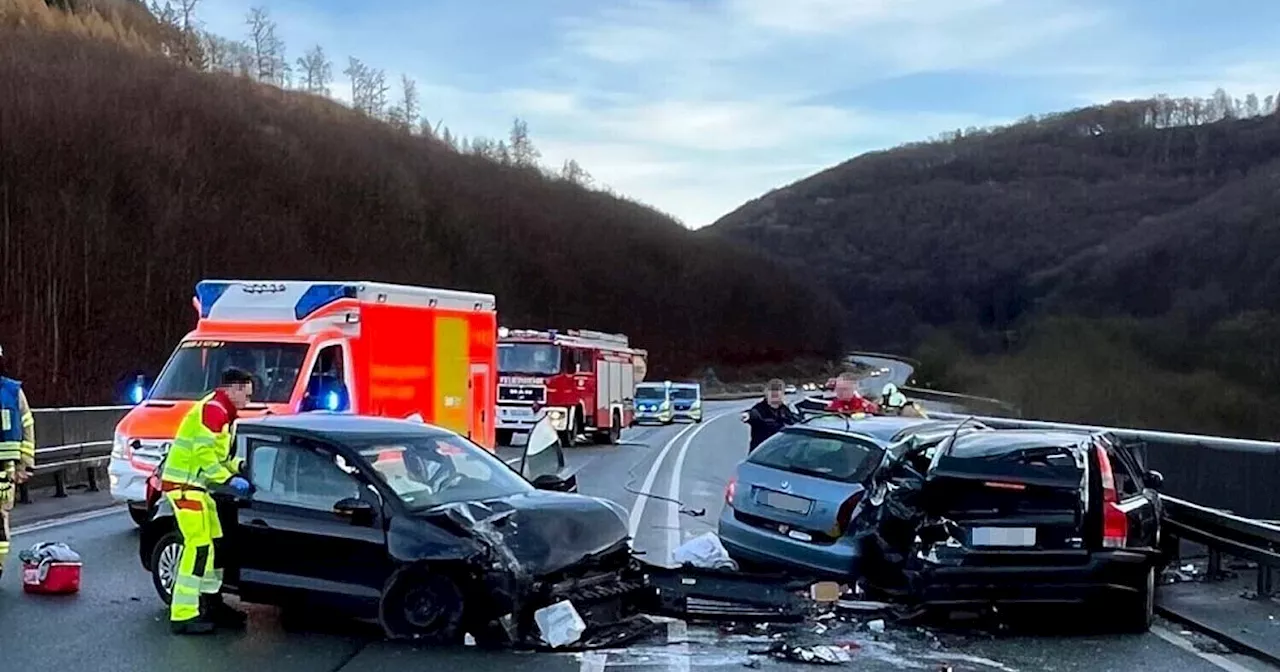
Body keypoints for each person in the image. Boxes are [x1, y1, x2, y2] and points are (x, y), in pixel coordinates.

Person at [160, 368, 254, 635]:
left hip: (197, 488)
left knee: (215, 545)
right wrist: (228, 479)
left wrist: (240, 467)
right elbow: (204, 456)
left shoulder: (222, 412)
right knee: (199, 547)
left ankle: (211, 602)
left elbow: (216, 456)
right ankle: (183, 614)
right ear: (233, 389)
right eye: (245, 395)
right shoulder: (214, 410)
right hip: (186, 488)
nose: (246, 401)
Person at [0, 344, 35, 579]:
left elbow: (27, 427)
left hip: (5, 469)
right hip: (7, 469)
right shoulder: (12, 392)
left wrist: (25, 464)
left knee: (0, 519)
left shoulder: (12, 391)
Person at [742, 379, 800, 452]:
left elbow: (796, 423)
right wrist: (748, 415)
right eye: (771, 390)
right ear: (766, 393)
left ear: (782, 394)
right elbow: (753, 414)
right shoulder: (759, 409)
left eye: (778, 390)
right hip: (761, 454)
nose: (774, 393)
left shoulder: (786, 410)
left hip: (779, 453)